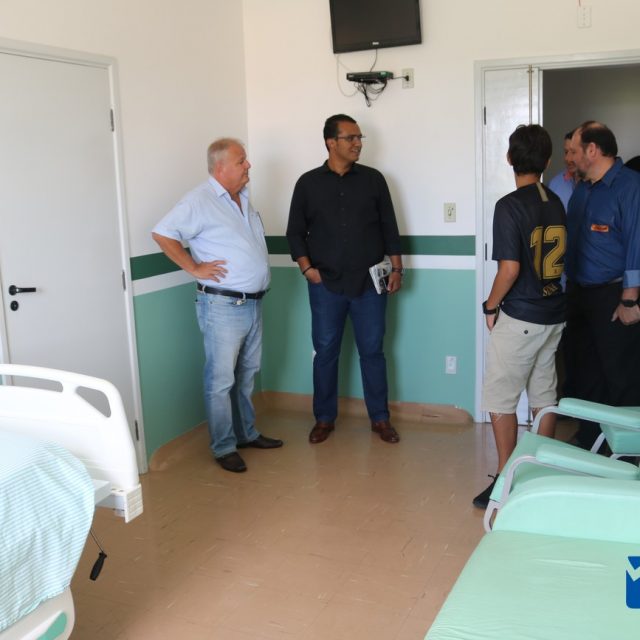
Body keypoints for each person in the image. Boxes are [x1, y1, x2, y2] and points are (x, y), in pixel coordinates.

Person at [152, 138, 283, 473]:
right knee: (221, 380)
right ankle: (224, 447)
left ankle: (246, 434)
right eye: (242, 161)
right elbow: (163, 233)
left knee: (247, 374)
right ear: (220, 167)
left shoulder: (243, 199)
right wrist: (194, 268)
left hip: (253, 303)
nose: (248, 165)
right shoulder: (199, 200)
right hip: (223, 305)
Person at [286, 114, 403, 445]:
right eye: (351, 138)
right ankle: (324, 419)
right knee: (325, 352)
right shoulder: (308, 183)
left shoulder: (374, 180)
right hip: (326, 285)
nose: (357, 143)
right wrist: (308, 270)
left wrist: (397, 269)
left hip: (369, 284)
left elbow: (389, 227)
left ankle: (380, 419)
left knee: (373, 351)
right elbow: (295, 232)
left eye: (360, 137)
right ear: (330, 142)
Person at [473, 124, 567, 508]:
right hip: (553, 314)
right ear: (548, 160)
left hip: (522, 316)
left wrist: (490, 305)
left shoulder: (509, 205)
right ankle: (536, 474)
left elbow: (509, 270)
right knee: (544, 395)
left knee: (501, 398)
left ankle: (505, 480)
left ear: (510, 157)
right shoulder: (556, 201)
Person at [563, 121, 640, 449]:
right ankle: (590, 444)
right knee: (584, 373)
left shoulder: (630, 186)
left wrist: (629, 300)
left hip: (614, 295)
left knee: (620, 377)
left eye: (574, 151)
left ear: (592, 150)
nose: (570, 158)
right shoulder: (582, 189)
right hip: (579, 295)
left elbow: (637, 243)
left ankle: (626, 454)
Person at [547, 130, 578, 210]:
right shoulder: (555, 184)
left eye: (573, 152)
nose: (567, 158)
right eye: (566, 152)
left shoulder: (596, 185)